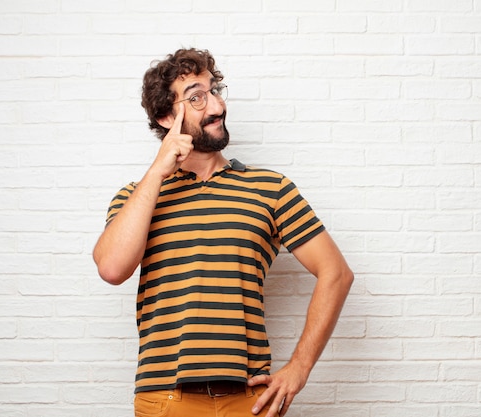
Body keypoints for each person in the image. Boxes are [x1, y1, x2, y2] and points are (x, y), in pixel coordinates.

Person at [92, 48, 353, 417]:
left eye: (215, 90)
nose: (216, 106)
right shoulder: (137, 197)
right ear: (167, 116)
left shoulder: (271, 188)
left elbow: (337, 273)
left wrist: (298, 369)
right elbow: (112, 268)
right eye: (197, 97)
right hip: (164, 398)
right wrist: (156, 173)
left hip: (249, 399)